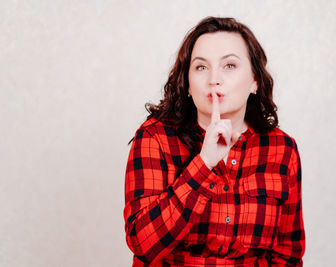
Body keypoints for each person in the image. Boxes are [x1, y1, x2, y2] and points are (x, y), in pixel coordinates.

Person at [124, 16, 305, 266]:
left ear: (254, 81)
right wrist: (204, 163)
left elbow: (288, 253)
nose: (213, 79)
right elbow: (142, 244)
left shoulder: (282, 149)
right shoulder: (155, 137)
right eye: (201, 67)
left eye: (229, 65)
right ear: (187, 84)